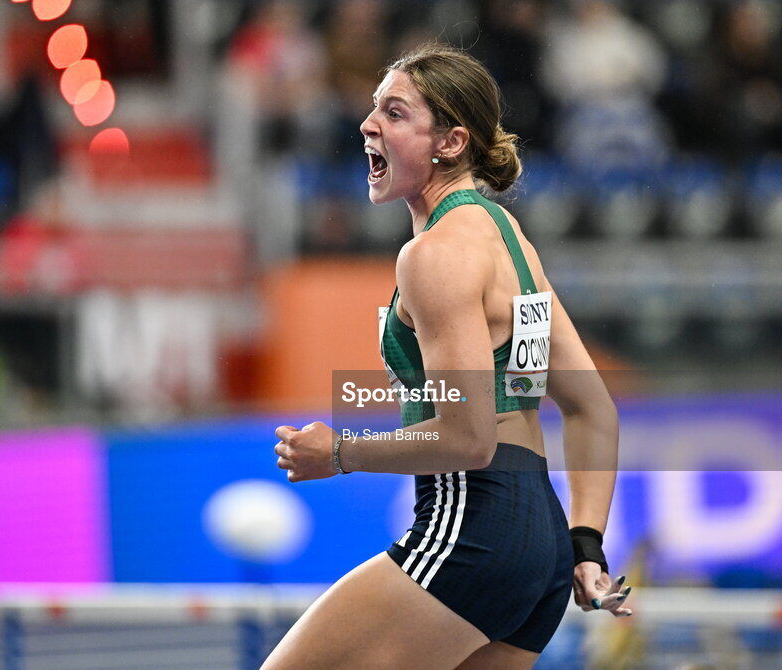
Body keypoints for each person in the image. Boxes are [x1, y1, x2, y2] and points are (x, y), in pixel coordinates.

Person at [268, 43, 626, 670]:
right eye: (374, 108)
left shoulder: (434, 254)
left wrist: (341, 453)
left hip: (473, 528)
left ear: (452, 142)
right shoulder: (509, 240)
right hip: (541, 552)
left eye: (395, 112)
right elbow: (593, 409)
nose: (367, 124)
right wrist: (586, 542)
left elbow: (468, 439)